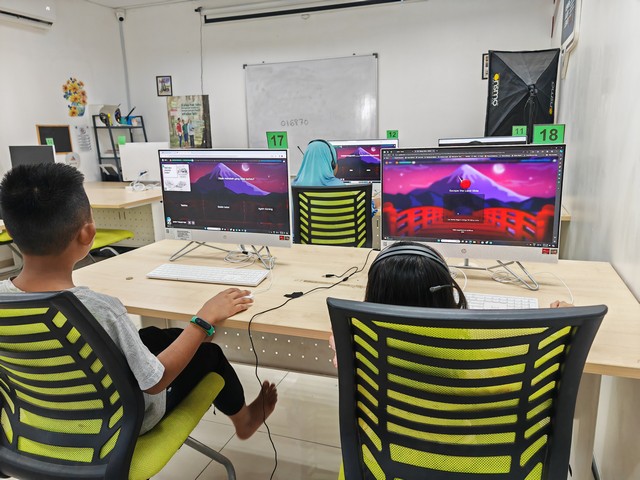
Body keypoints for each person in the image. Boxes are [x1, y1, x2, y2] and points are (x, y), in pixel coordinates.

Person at [0, 163, 278, 438]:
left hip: (38, 420)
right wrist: (202, 320)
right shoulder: (102, 310)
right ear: (88, 233)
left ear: (10, 231)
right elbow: (155, 382)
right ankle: (244, 421)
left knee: (157, 336)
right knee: (210, 354)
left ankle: (191, 343)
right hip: (119, 423)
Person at [329, 241, 573, 367]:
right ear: (446, 296)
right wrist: (562, 323)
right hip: (471, 449)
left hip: (379, 448)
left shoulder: (354, 343)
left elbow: (335, 336)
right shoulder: (474, 354)